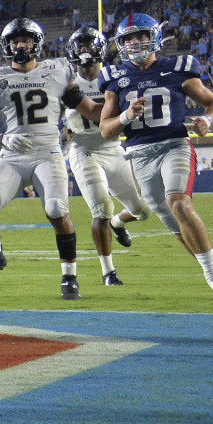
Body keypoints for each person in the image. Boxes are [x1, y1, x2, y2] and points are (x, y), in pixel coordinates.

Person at [98, 13, 213, 302]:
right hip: (139, 155)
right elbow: (105, 130)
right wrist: (125, 115)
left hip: (174, 145)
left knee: (179, 204)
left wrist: (208, 121)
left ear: (154, 37)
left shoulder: (177, 68)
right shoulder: (115, 76)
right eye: (129, 38)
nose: (135, 43)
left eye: (141, 36)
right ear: (121, 43)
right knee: (173, 222)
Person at [0, 18, 104, 300]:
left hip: (48, 153)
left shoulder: (57, 71)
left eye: (26, 40)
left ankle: (69, 277)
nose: (20, 45)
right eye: (15, 41)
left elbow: (90, 109)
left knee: (57, 210)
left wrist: (124, 113)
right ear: (6, 46)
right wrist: (2, 138)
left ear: (36, 43)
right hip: (12, 155)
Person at [62, 26, 152, 286]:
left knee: (143, 210)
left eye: (89, 45)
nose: (85, 51)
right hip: (84, 149)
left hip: (113, 148)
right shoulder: (65, 81)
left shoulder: (117, 75)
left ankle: (118, 222)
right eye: (80, 46)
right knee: (101, 207)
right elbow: (93, 112)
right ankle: (108, 272)